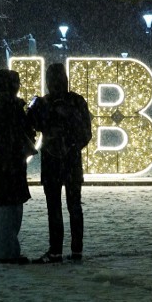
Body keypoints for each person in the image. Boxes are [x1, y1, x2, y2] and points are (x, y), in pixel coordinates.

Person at [27, 63, 92, 264]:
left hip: (51, 160)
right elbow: (86, 133)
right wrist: (72, 146)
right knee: (74, 206)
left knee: (53, 206)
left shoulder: (42, 103)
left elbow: (32, 125)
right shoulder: (77, 101)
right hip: (72, 161)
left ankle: (55, 250)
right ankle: (76, 250)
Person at [0, 69, 35, 265]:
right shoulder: (12, 105)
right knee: (11, 206)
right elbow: (23, 127)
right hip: (11, 159)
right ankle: (7, 252)